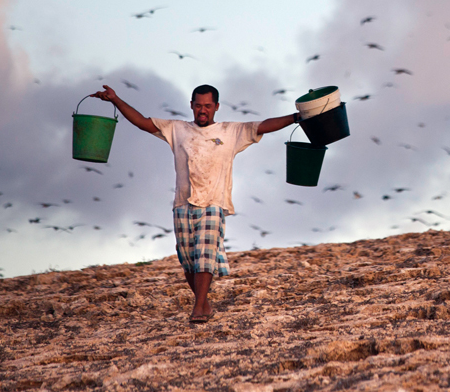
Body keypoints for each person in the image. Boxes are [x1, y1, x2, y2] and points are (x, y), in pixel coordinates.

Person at [91, 83, 300, 323]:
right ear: (191, 106)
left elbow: (264, 125)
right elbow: (142, 122)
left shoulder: (230, 131)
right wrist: (116, 100)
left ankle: (199, 307)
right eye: (198, 106)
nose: (203, 110)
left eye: (208, 106)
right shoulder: (177, 129)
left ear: (216, 107)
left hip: (214, 202)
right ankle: (204, 304)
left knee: (204, 255)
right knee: (188, 259)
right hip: (182, 203)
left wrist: (296, 117)